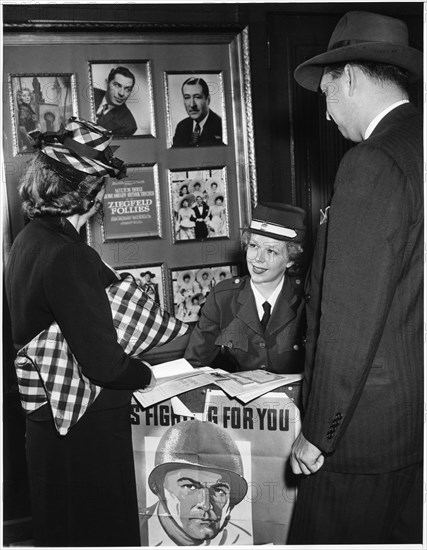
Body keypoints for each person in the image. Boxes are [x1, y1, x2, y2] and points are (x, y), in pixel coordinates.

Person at [288, 11, 423, 545]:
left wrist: (317, 433)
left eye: (324, 95)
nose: (324, 114)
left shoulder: (369, 161)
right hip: (414, 424)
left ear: (348, 77)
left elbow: (348, 316)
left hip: (360, 437)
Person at [4, 117, 153, 546]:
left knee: (60, 529)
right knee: (98, 531)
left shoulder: (30, 241)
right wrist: (145, 375)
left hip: (45, 421)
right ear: (92, 192)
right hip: (85, 427)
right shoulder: (71, 255)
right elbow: (105, 364)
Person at [185, 203, 307, 373]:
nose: (258, 259)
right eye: (254, 246)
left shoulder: (308, 300)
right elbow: (194, 364)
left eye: (271, 251)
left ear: (291, 259)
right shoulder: (222, 298)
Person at [140, 420, 252, 546]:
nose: (205, 505)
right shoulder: (134, 531)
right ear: (161, 489)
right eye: (190, 486)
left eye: (219, 490)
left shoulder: (241, 541)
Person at [172, 77, 224, 147]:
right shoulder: (182, 127)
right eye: (187, 97)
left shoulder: (221, 125)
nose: (192, 104)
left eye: (197, 97)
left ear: (208, 99)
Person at [94, 66, 137, 136]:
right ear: (106, 84)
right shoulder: (92, 93)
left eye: (127, 89)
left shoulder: (128, 125)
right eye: (117, 85)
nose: (121, 93)